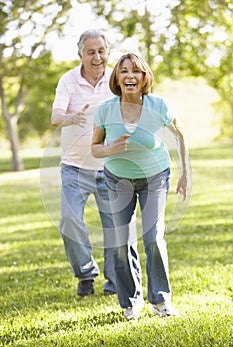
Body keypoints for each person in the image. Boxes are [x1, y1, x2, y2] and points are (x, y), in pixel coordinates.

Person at [91, 53, 190, 320]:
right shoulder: (106, 110)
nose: (130, 76)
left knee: (153, 238)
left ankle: (160, 300)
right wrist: (110, 148)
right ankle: (131, 301)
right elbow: (95, 148)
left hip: (154, 177)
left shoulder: (159, 106)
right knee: (121, 243)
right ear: (117, 78)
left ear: (145, 77)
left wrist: (185, 175)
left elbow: (180, 137)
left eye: (136, 71)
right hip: (117, 178)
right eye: (124, 71)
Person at [51, 30, 117, 296]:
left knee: (116, 227)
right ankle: (86, 274)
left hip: (111, 167)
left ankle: (115, 280)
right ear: (80, 55)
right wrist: (70, 118)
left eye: (101, 50)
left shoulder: (117, 77)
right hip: (74, 167)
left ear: (108, 53)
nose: (97, 56)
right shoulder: (68, 80)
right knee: (69, 220)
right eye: (90, 52)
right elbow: (56, 116)